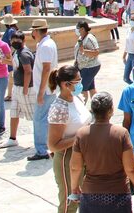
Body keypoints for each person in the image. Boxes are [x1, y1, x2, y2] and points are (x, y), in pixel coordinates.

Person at [69, 92, 134, 213]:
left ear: (92, 110)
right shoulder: (121, 133)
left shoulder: (82, 134)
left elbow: (75, 167)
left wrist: (74, 187)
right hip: (119, 193)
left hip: (91, 192)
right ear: (111, 110)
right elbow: (131, 168)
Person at [47, 65, 91, 213]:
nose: (81, 83)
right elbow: (53, 145)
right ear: (66, 85)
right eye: (77, 81)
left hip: (84, 155)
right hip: (68, 158)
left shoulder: (76, 98)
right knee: (70, 203)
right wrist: (81, 136)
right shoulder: (59, 108)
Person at [28, 18, 58, 162]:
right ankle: (48, 145)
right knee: (46, 118)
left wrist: (40, 92)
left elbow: (46, 69)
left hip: (45, 89)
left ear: (36, 31)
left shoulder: (45, 46)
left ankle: (41, 149)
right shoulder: (46, 43)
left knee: (39, 119)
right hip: (48, 88)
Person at [0, 30, 35, 149]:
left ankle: (42, 138)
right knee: (14, 112)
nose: (14, 42)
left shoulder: (24, 53)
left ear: (23, 40)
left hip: (26, 88)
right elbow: (17, 64)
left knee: (34, 114)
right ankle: (12, 138)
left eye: (17, 40)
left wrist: (25, 88)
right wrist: (5, 61)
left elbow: (28, 71)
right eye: (13, 40)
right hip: (17, 87)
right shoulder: (17, 52)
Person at [74, 21, 101, 103]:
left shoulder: (90, 38)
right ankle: (97, 106)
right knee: (91, 88)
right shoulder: (81, 38)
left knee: (82, 88)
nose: (76, 31)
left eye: (78, 29)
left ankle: (82, 108)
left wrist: (84, 51)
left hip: (90, 67)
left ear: (82, 29)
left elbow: (96, 52)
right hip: (83, 66)